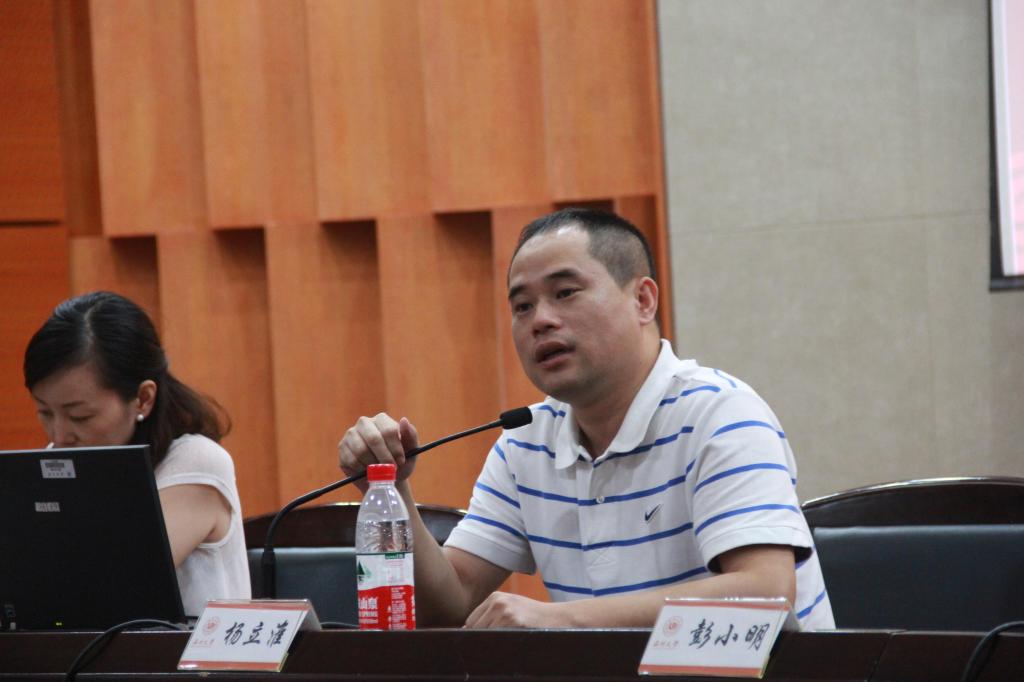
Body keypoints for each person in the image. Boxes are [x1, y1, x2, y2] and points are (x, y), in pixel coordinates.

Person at [338, 208, 834, 630]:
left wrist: (561, 619)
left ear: (642, 300)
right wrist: (391, 491)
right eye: (522, 306)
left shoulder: (720, 414)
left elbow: (765, 592)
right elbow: (450, 604)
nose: (540, 320)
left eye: (566, 292)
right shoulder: (526, 442)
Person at [23, 291, 251, 617]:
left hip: (181, 652)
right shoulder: (63, 459)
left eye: (79, 416)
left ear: (143, 398)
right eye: (44, 412)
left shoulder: (196, 462)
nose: (58, 436)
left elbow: (113, 586)